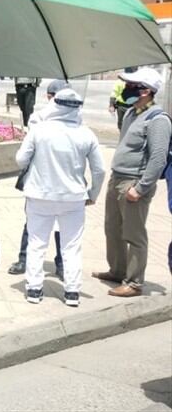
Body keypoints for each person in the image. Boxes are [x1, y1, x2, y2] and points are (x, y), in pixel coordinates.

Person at [15, 89, 105, 306]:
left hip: (40, 195)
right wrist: (93, 194)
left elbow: (20, 160)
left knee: (37, 243)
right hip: (73, 198)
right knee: (71, 246)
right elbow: (99, 170)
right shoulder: (87, 133)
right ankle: (72, 292)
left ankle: (34, 289)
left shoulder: (40, 130)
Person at [96, 67, 172, 297]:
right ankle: (117, 270)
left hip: (134, 182)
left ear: (146, 91)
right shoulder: (131, 113)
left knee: (134, 234)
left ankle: (135, 282)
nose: (126, 89)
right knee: (113, 229)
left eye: (132, 86)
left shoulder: (158, 120)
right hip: (117, 178)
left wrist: (141, 188)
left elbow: (158, 158)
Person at [7, 79, 71, 276]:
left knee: (63, 226)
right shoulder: (38, 119)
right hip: (40, 180)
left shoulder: (75, 121)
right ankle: (24, 259)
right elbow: (25, 155)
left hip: (64, 182)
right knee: (33, 223)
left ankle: (62, 263)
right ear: (49, 97)